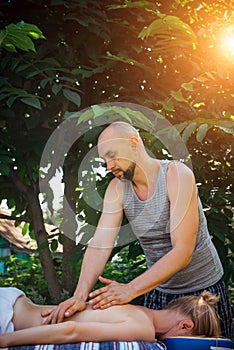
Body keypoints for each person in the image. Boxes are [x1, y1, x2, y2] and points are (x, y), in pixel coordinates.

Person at [43, 121, 233, 339]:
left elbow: (183, 251)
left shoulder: (176, 175)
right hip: (158, 290)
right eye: (104, 160)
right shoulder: (117, 189)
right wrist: (79, 296)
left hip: (204, 293)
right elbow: (99, 245)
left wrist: (129, 289)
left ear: (134, 144)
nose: (108, 165)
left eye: (112, 155)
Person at [0, 287, 221, 347]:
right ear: (185, 325)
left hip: (14, 301)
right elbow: (71, 331)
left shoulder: (137, 309)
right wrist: (5, 341)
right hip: (7, 317)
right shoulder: (143, 329)